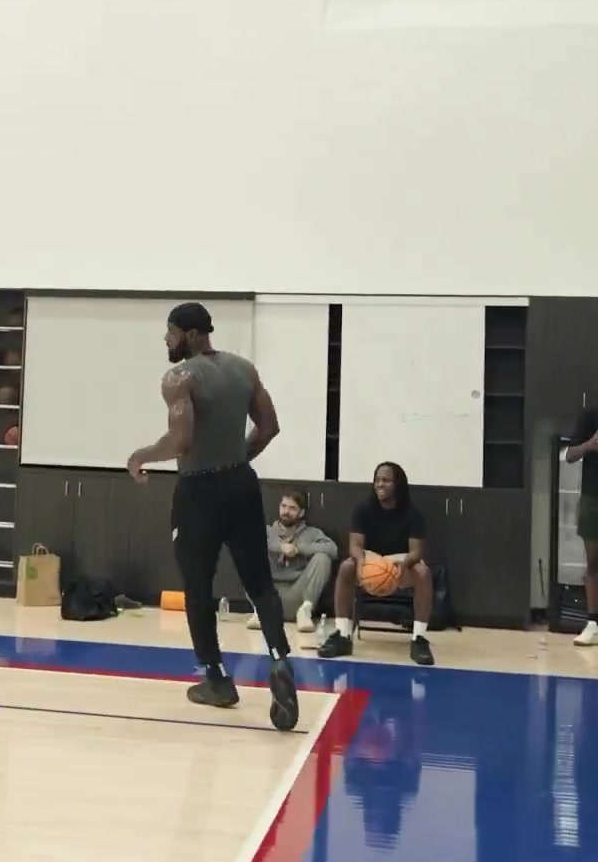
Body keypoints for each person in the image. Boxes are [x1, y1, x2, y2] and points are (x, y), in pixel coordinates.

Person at [127, 301, 299, 732]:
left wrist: (142, 455)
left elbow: (181, 441)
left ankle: (217, 680)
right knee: (259, 581)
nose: (166, 340)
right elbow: (270, 426)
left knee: (198, 586)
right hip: (241, 484)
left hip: (198, 492)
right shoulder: (244, 369)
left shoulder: (179, 378)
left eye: (170, 333)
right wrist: (237, 459)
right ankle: (280, 659)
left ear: (188, 334)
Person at [318, 461, 435, 667]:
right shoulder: (363, 509)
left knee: (423, 573)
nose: (380, 484)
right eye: (377, 480)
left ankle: (419, 638)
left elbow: (416, 551)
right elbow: (355, 545)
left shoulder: (412, 513)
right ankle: (343, 635)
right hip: (371, 559)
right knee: (346, 567)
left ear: (398, 484)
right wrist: (361, 562)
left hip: (400, 560)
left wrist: (405, 563)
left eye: (386, 480)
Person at [247, 488, 337, 632]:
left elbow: (332, 549)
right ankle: (260, 612)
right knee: (249, 555)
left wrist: (299, 549)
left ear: (301, 513)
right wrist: (279, 547)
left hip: (298, 594)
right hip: (269, 593)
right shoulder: (267, 531)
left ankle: (305, 612)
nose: (286, 511)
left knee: (323, 558)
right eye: (283, 506)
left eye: (292, 508)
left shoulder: (312, 533)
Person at [565, 404, 598, 646]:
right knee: (594, 563)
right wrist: (590, 445)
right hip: (593, 497)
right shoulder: (591, 416)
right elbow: (568, 455)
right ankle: (593, 624)